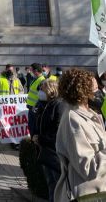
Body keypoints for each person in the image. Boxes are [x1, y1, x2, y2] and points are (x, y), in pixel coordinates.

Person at [55, 69, 106, 201]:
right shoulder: (73, 120)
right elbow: (88, 169)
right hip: (89, 196)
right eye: (96, 89)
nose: (100, 91)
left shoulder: (90, 114)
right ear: (82, 92)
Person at [32, 79, 63, 202]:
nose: (40, 92)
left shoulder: (58, 105)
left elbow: (57, 131)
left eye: (42, 89)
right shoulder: (44, 104)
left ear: (51, 90)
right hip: (45, 149)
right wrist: (35, 135)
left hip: (54, 152)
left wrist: (40, 138)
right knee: (51, 183)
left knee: (57, 183)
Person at [26, 63, 45, 137]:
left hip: (35, 110)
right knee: (31, 128)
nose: (30, 71)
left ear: (36, 71)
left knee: (34, 129)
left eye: (31, 70)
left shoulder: (41, 81)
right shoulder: (35, 79)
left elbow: (42, 97)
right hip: (31, 108)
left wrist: (36, 106)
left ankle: (36, 146)